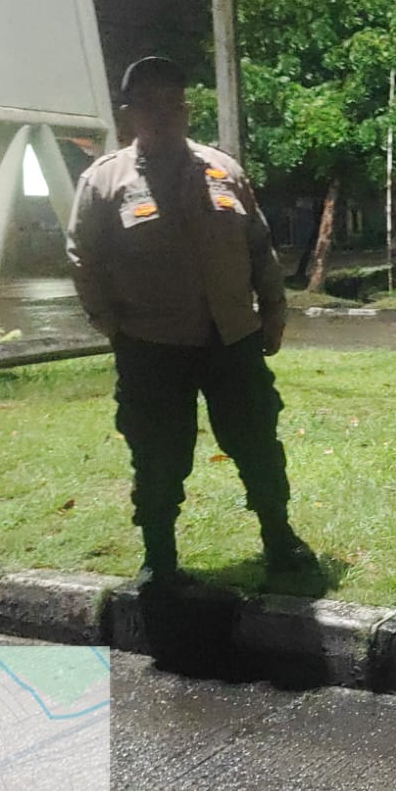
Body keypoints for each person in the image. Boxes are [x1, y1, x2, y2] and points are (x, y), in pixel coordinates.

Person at [67, 56, 308, 586]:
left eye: (173, 103)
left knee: (257, 443)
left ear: (186, 109)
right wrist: (110, 323)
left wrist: (273, 311)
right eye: (150, 103)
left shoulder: (224, 170)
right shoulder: (104, 181)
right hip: (151, 345)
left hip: (232, 338)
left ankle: (279, 537)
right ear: (130, 113)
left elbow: (259, 246)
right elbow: (84, 257)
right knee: (158, 455)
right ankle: (160, 559)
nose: (164, 113)